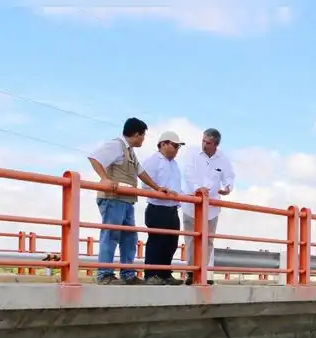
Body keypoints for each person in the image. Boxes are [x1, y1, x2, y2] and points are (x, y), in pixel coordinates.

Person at [88, 117, 173, 285]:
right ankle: (104, 274)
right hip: (113, 198)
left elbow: (140, 172)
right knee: (111, 234)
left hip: (127, 199)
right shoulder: (116, 145)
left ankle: (128, 274)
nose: (143, 139)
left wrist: (157, 188)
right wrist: (104, 178)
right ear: (136, 134)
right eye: (143, 136)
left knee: (129, 237)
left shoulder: (130, 151)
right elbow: (94, 157)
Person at [181, 127, 234, 285]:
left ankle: (202, 273)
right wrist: (199, 189)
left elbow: (229, 176)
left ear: (215, 145)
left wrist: (227, 187)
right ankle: (191, 273)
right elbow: (188, 174)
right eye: (203, 141)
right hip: (192, 205)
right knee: (191, 240)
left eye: (208, 143)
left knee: (208, 241)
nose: (204, 145)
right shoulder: (192, 154)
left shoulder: (223, 159)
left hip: (211, 208)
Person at [140, 131, 185, 285]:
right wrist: (160, 191)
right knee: (157, 241)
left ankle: (165, 273)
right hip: (157, 207)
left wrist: (184, 196)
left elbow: (177, 187)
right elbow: (145, 185)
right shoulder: (153, 161)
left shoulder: (175, 164)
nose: (177, 149)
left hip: (172, 208)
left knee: (171, 242)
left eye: (178, 146)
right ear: (163, 144)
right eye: (175, 145)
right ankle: (151, 274)